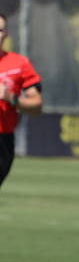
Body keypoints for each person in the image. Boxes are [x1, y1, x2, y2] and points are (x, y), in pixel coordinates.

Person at [0, 12, 44, 191]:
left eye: (0, 29)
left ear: (6, 34)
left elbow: (37, 106)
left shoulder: (19, 64)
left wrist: (11, 98)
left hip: (2, 140)